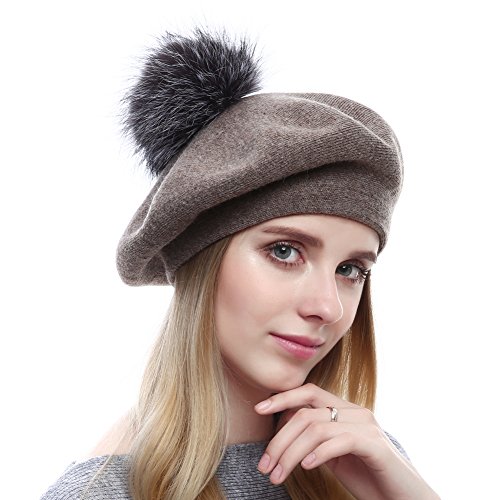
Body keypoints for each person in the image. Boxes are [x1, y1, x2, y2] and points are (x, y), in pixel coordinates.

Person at [41, 28, 439, 499]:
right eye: (285, 251)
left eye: (350, 269)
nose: (328, 307)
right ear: (203, 260)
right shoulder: (106, 493)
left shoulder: (363, 461)